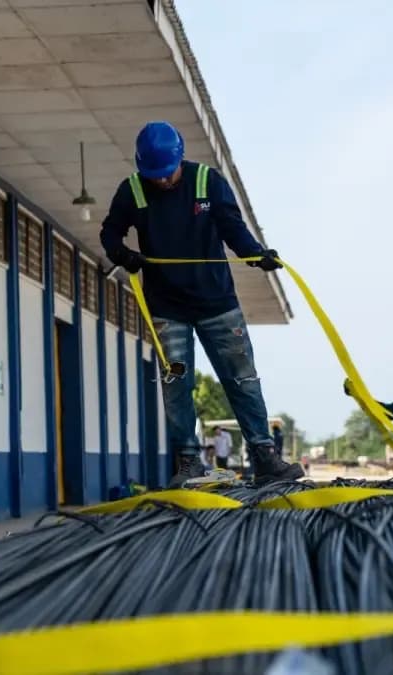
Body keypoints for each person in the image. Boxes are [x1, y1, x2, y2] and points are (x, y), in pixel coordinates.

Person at [100, 121, 302, 488]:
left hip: (218, 306)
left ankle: (264, 457)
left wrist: (256, 255)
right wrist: (122, 254)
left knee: (242, 378)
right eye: (154, 175)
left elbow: (233, 230)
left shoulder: (208, 182)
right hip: (167, 309)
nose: (161, 181)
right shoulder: (132, 190)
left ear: (180, 158)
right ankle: (190, 462)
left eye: (167, 173)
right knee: (176, 384)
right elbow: (109, 232)